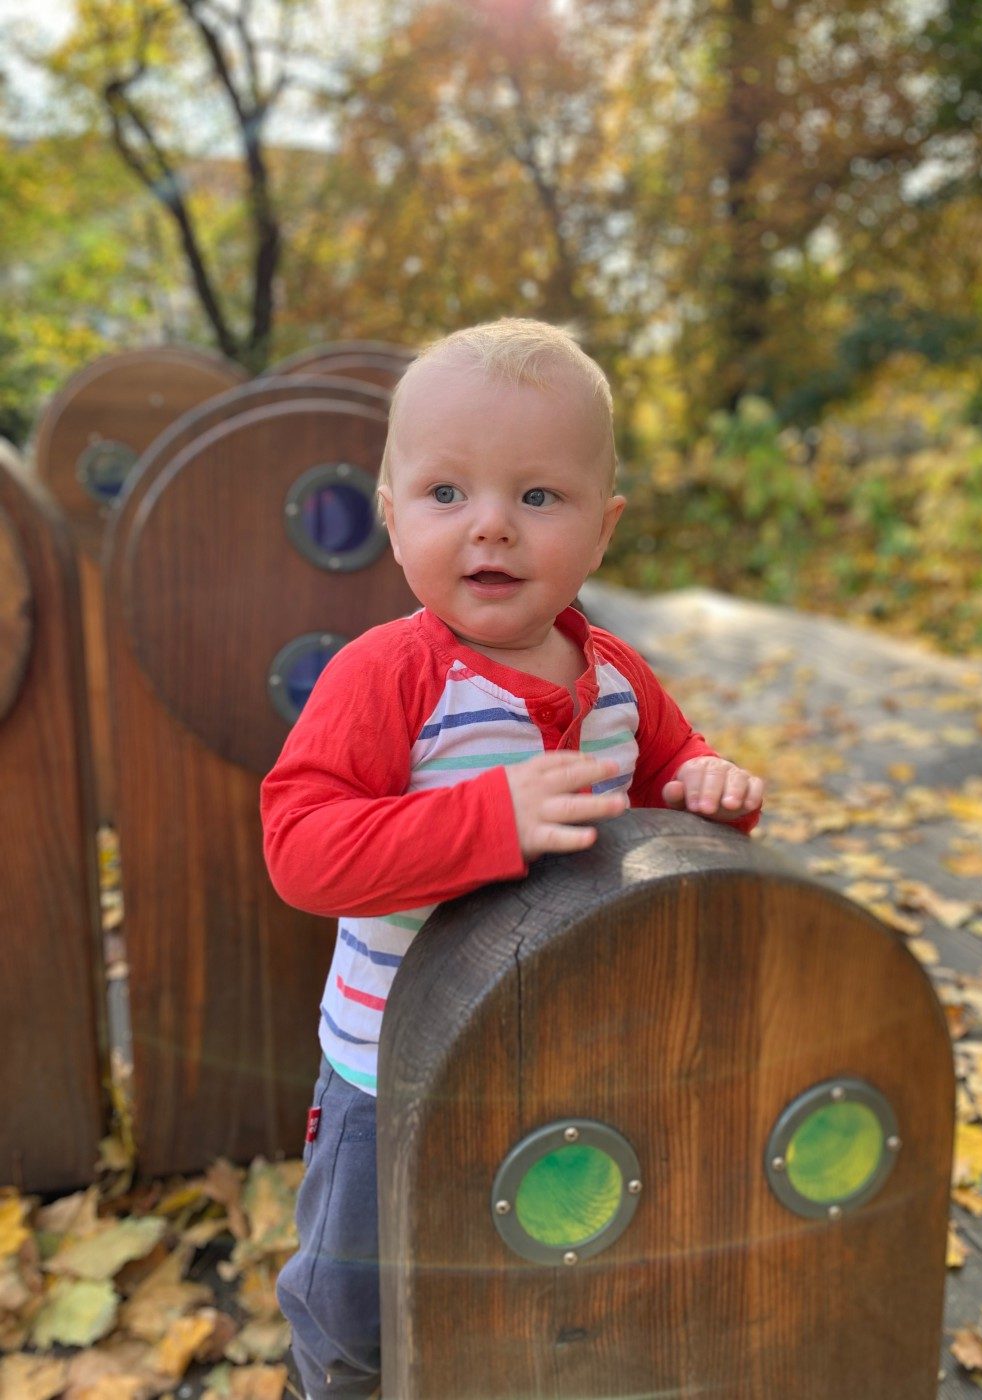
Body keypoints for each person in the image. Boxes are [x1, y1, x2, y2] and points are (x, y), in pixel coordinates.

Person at [260, 318, 764, 1398]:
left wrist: (706, 784)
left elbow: (671, 767)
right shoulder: (389, 678)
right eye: (446, 492)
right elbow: (302, 847)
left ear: (603, 527)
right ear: (391, 514)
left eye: (538, 495)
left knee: (540, 1289)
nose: (490, 524)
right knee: (354, 1309)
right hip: (390, 1070)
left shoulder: (617, 677)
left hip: (573, 1058)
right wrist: (488, 819)